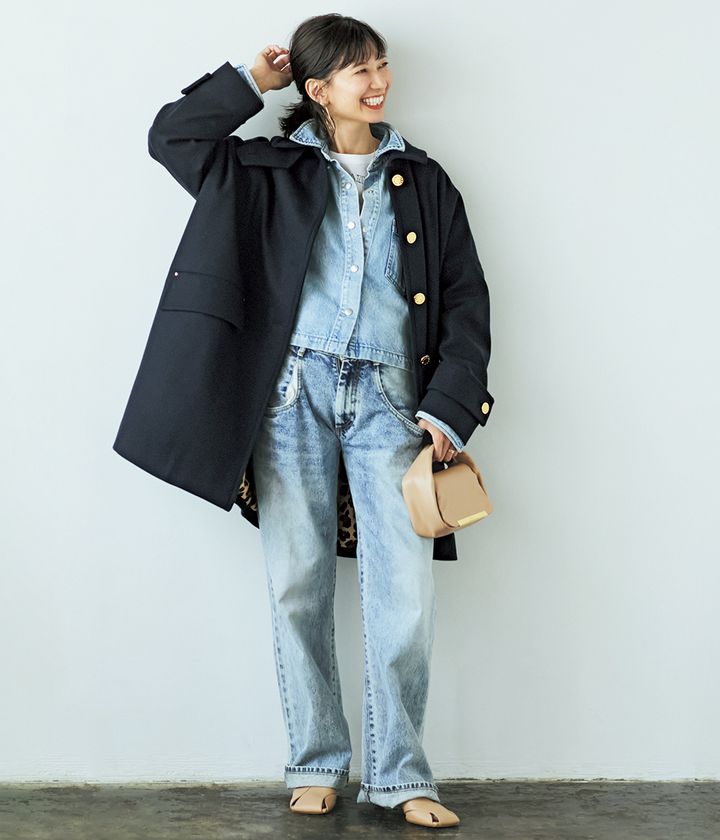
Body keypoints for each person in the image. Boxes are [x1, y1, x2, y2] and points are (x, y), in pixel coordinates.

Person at [240, 13, 490, 830]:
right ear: (319, 89)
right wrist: (252, 84)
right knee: (297, 584)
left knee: (405, 595)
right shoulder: (270, 168)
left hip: (392, 399)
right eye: (360, 71)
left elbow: (465, 301)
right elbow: (172, 140)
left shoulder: (424, 180)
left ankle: (400, 774)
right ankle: (315, 763)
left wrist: (449, 410)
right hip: (292, 394)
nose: (379, 82)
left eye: (381, 65)